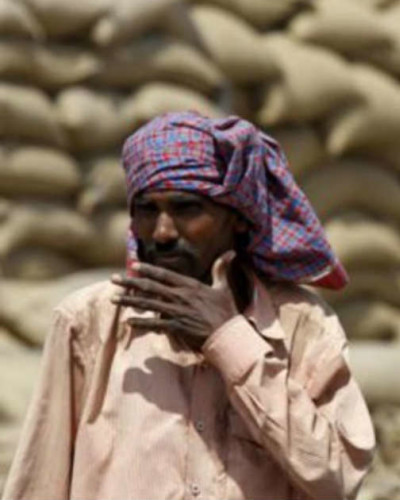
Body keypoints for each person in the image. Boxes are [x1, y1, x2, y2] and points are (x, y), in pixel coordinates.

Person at [2, 111, 375, 500]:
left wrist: (229, 341)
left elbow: (339, 478)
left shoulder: (302, 325)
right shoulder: (89, 322)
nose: (162, 232)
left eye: (187, 209)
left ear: (239, 219)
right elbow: (39, 482)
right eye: (147, 210)